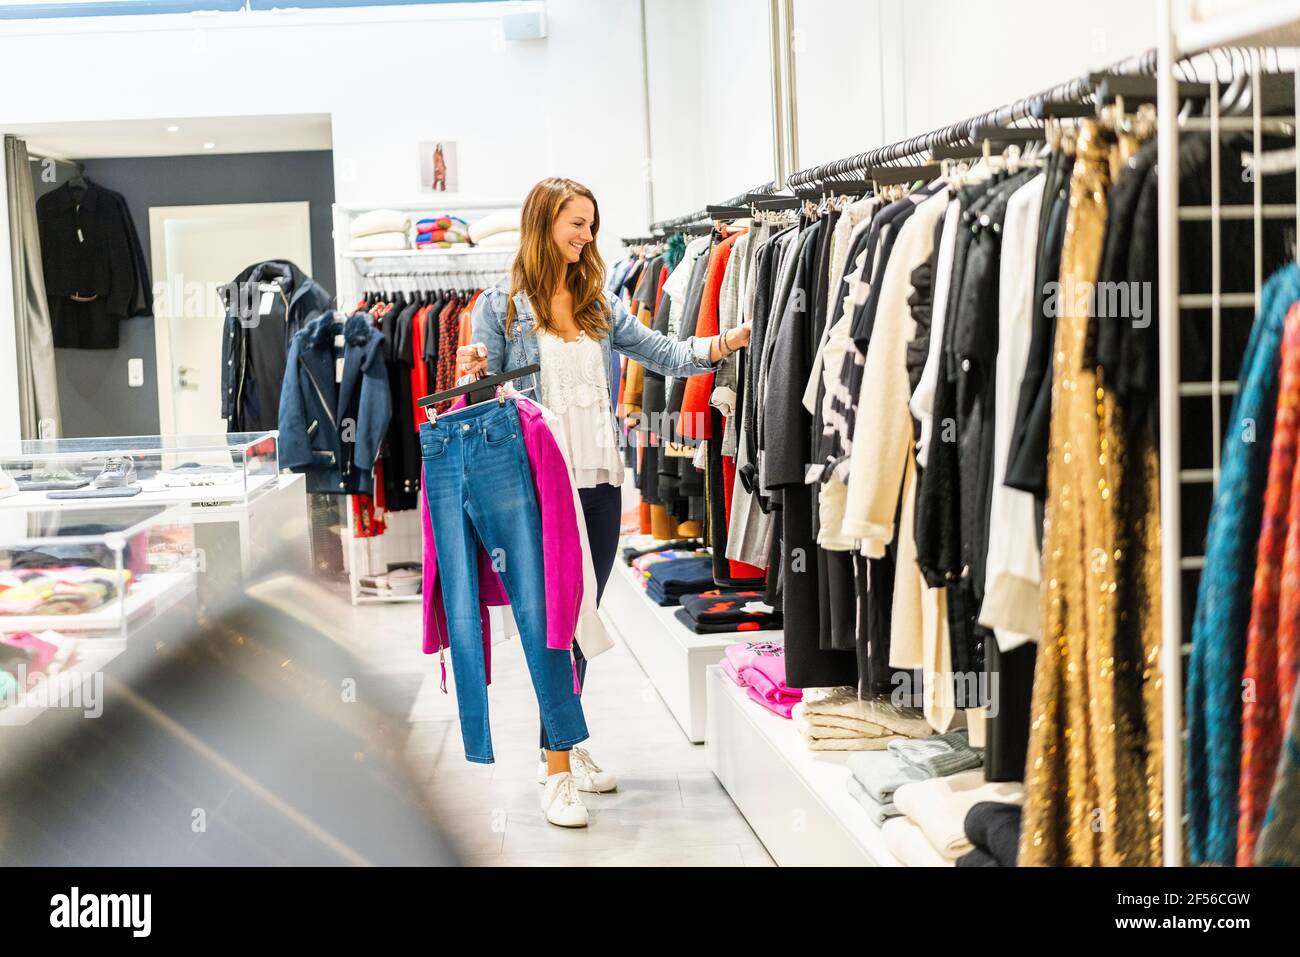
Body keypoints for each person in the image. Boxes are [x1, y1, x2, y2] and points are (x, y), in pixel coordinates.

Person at [459, 176, 751, 827]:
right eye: (576, 223)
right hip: (537, 486)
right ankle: (557, 767)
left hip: (597, 482)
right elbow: (480, 402)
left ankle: (562, 741)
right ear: (544, 223)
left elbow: (666, 354)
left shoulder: (596, 301)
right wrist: (474, 379)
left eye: (591, 224)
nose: (587, 236)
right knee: (551, 620)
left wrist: (726, 342)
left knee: (581, 616)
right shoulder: (501, 307)